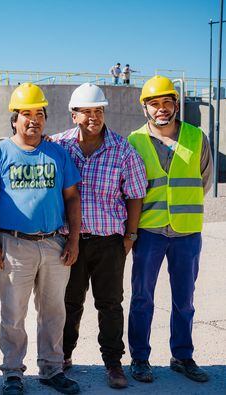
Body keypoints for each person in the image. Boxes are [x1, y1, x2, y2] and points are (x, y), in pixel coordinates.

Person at [0, 83, 82, 395]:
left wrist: (73, 240)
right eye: (26, 113)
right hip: (15, 245)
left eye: (39, 113)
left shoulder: (57, 154)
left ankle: (51, 369)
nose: (33, 119)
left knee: (53, 312)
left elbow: (73, 198)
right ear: (14, 119)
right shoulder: (0, 154)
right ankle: (12, 372)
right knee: (13, 313)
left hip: (54, 244)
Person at [52, 83, 147, 389]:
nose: (93, 117)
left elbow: (134, 196)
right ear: (73, 114)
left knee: (110, 304)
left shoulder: (122, 150)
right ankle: (63, 357)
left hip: (109, 242)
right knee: (69, 303)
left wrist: (130, 236)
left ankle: (113, 363)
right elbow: (22, 146)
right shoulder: (58, 146)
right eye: (86, 111)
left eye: (98, 111)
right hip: (70, 240)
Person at [127, 75, 213, 384]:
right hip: (149, 231)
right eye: (154, 104)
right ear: (145, 108)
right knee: (142, 298)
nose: (161, 109)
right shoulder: (134, 141)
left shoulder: (196, 137)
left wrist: (181, 204)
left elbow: (203, 179)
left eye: (167, 103)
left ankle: (182, 356)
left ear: (175, 105)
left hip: (187, 233)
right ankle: (139, 358)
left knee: (184, 300)